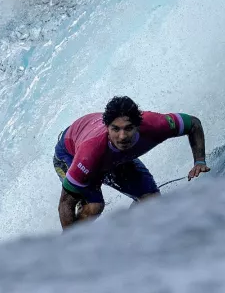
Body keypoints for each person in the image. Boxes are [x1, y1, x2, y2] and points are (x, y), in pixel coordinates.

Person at [53, 95, 210, 229]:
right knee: (94, 206)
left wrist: (199, 161)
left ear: (138, 126)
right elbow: (65, 203)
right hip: (69, 154)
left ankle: (127, 235)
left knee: (152, 202)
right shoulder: (89, 152)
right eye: (115, 129)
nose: (122, 136)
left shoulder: (155, 124)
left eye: (128, 128)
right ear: (107, 127)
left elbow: (193, 124)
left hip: (114, 160)